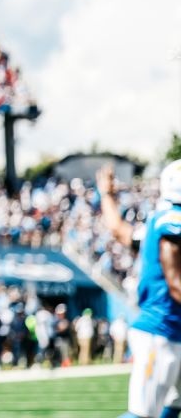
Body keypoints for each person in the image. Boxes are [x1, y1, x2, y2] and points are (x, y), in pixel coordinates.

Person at [118, 160, 181, 418]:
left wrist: (108, 197)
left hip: (173, 329)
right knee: (143, 414)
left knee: (174, 404)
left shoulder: (162, 216)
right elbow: (175, 282)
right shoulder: (172, 219)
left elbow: (120, 232)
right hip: (161, 330)